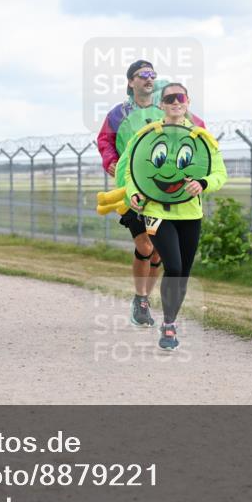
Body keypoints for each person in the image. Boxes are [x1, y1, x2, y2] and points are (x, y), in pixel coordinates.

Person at [96, 59, 207, 327]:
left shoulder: (165, 108)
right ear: (130, 82)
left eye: (152, 74)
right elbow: (104, 141)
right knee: (144, 245)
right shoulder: (118, 114)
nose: (148, 78)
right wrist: (111, 160)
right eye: (142, 75)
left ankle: (144, 301)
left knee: (158, 252)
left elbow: (198, 133)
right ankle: (140, 297)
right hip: (131, 188)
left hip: (163, 192)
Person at [120, 83, 227, 350]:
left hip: (190, 213)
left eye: (180, 97)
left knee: (183, 273)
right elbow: (132, 172)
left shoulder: (202, 138)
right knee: (174, 266)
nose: (175, 102)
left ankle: (169, 322)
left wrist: (203, 183)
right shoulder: (146, 135)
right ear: (161, 104)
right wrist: (134, 193)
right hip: (155, 212)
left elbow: (219, 174)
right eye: (169, 98)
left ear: (188, 101)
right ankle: (167, 326)